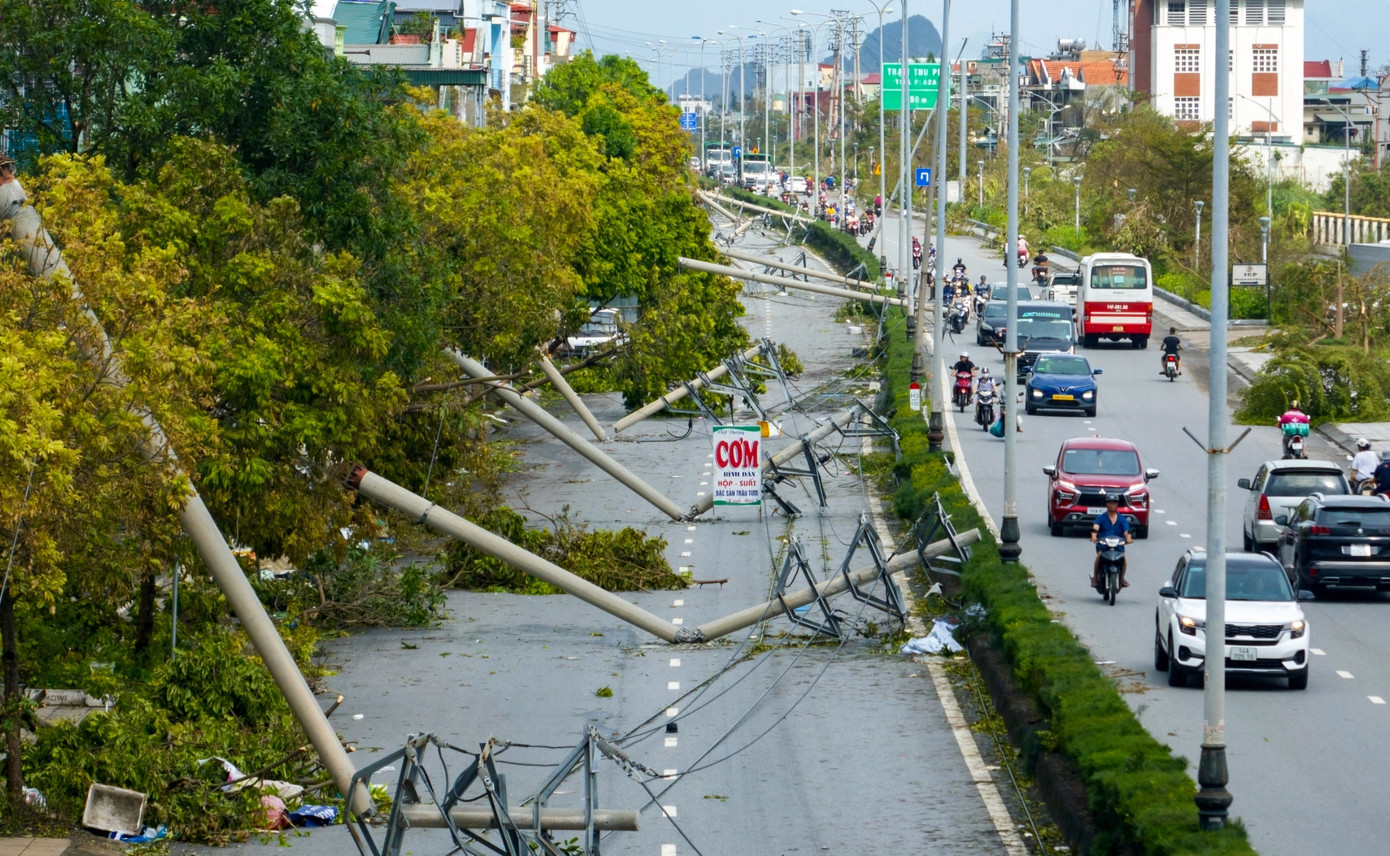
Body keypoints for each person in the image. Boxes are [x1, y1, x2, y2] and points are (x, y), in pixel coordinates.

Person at [1090, 494, 1133, 588]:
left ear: (1117, 504)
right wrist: (1094, 537)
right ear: (1106, 504)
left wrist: (1128, 538)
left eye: (1114, 503)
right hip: (1103, 546)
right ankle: (1095, 579)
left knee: (1124, 559)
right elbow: (1095, 528)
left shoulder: (1122, 519)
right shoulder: (1100, 517)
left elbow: (1127, 531)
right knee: (1099, 556)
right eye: (1109, 503)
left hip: (1118, 546)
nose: (1111, 505)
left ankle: (1121, 578)